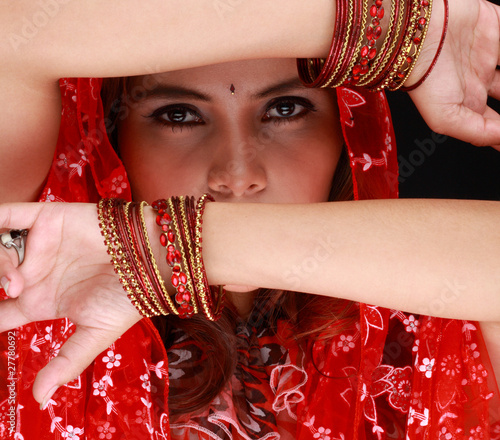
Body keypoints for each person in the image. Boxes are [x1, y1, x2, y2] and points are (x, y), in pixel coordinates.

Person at [0, 1, 499, 439]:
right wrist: (398, 23)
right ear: (112, 137)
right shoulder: (30, 279)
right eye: (178, 115)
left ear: (347, 136)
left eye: (285, 109)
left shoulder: (425, 326)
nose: (237, 176)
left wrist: (169, 248)